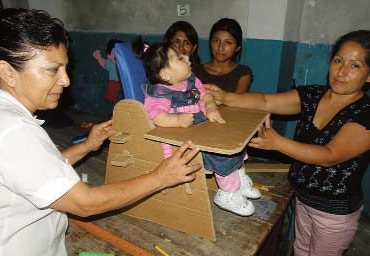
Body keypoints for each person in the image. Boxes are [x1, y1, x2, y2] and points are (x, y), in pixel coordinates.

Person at [0, 8, 201, 255]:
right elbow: (84, 204)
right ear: (8, 72)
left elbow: (38, 170)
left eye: (65, 68)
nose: (66, 81)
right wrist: (161, 177)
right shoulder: (13, 131)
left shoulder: (9, 117)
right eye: (53, 69)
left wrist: (87, 145)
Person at [205, 30, 370, 256]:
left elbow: (331, 155)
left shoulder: (365, 112)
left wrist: (278, 142)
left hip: (334, 212)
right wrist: (225, 97)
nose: (342, 72)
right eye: (338, 61)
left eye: (355, 66)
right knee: (299, 250)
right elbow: (265, 100)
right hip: (303, 198)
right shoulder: (313, 95)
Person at [141, 42, 261, 217]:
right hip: (185, 139)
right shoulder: (159, 94)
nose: (188, 58)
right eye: (181, 58)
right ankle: (227, 194)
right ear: (166, 74)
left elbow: (205, 95)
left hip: (202, 127)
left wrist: (211, 107)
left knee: (234, 141)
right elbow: (156, 117)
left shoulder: (191, 80)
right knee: (221, 153)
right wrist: (177, 120)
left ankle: (238, 179)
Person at [193, 18, 253, 93]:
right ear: (210, 43)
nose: (220, 48)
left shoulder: (243, 73)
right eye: (216, 41)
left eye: (228, 43)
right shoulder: (195, 71)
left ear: (237, 48)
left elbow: (237, 102)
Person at [93, 38, 124, 103]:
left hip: (121, 82)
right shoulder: (111, 63)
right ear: (108, 55)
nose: (117, 56)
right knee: (111, 96)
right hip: (113, 82)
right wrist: (99, 57)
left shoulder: (123, 64)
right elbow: (104, 63)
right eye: (115, 53)